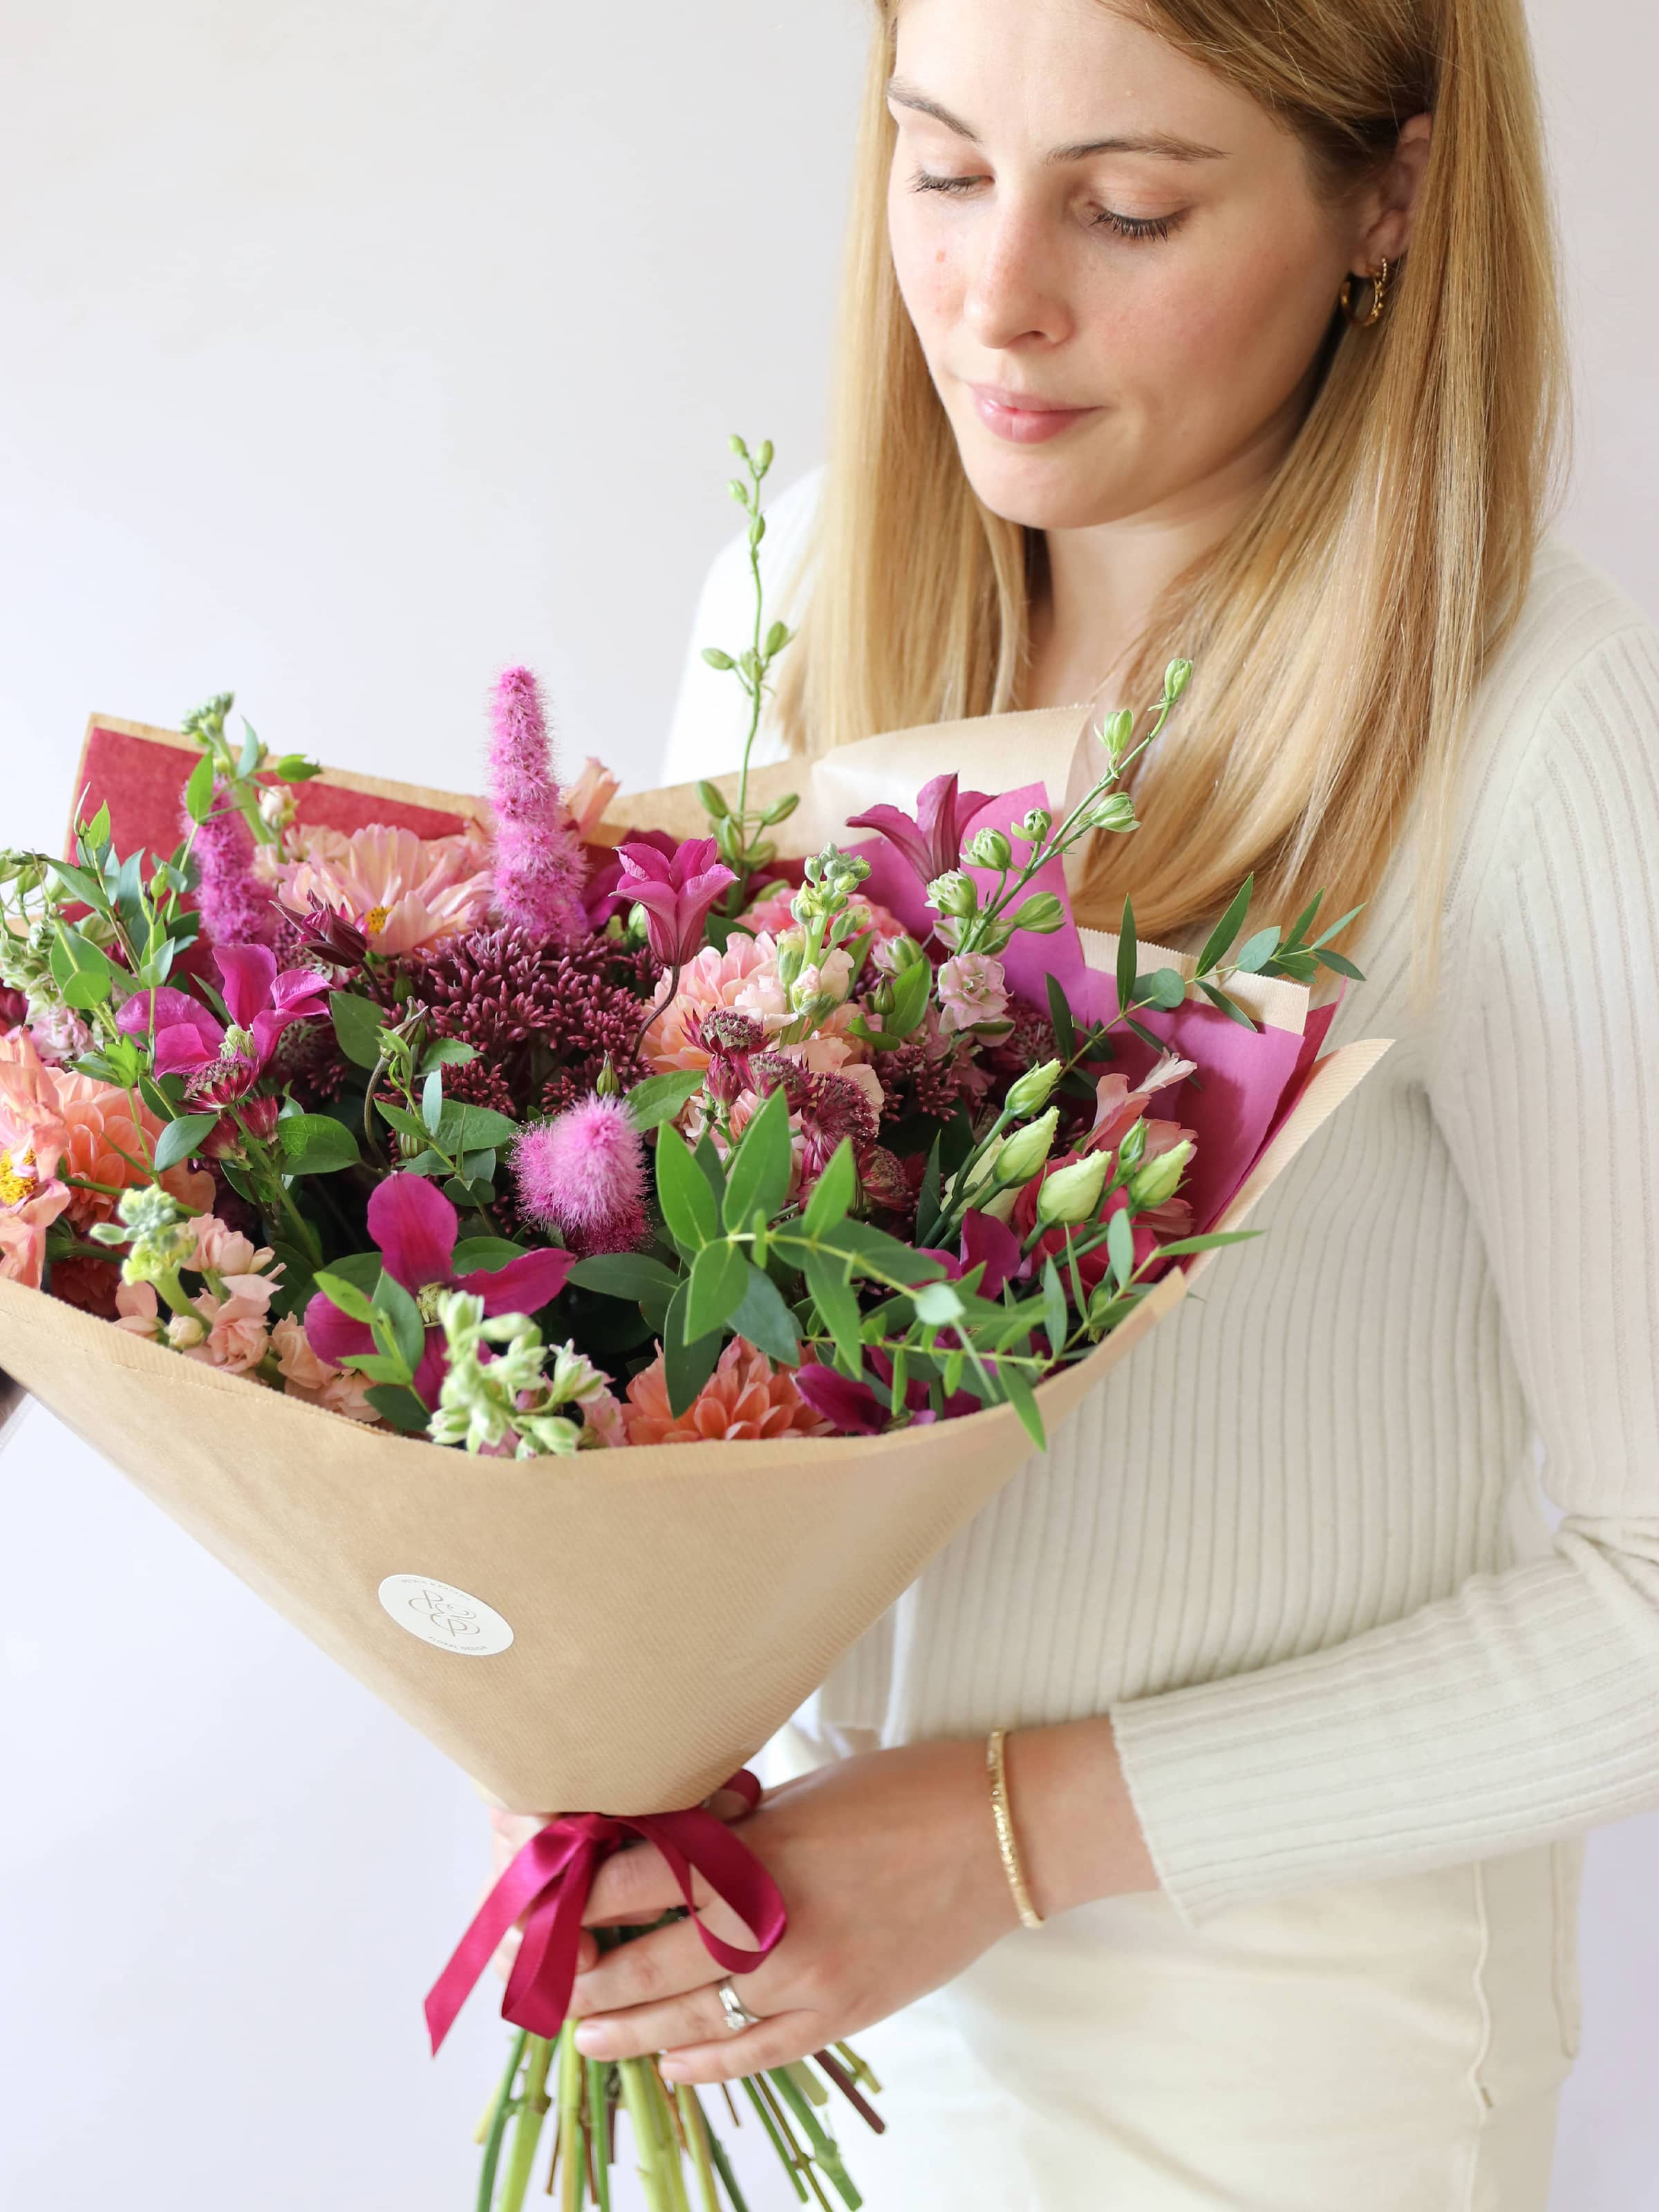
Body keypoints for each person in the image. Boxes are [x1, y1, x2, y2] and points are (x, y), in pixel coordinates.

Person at [505, 1, 1659, 2202]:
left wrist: (1005, 1839)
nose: (994, 294)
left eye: (1126, 207)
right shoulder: (800, 587)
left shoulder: (1543, 730)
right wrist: (583, 1724)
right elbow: (671, 1343)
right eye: (938, 168)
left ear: (1391, 196)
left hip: (1267, 2083)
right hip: (785, 2025)